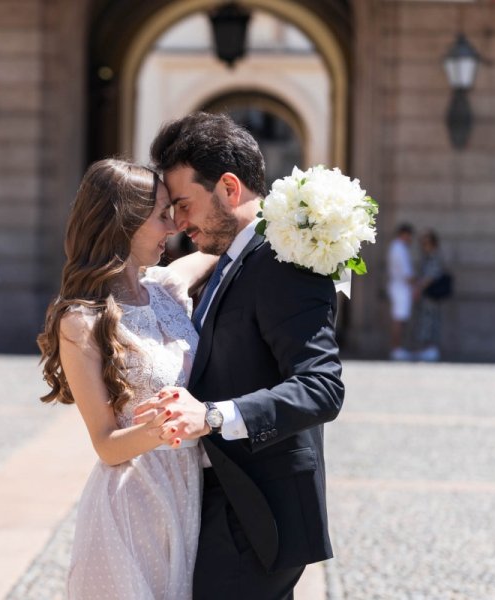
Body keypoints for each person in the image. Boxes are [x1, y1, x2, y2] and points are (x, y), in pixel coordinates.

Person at [133, 112, 345, 599]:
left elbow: (322, 387)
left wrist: (210, 416)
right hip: (225, 503)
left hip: (257, 512)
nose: (180, 224)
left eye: (184, 204)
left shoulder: (284, 260)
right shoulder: (232, 259)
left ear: (229, 188)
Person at [38, 159, 216, 598]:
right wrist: (158, 429)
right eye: (160, 215)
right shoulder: (80, 321)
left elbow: (225, 249)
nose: (173, 226)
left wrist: (294, 222)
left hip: (191, 490)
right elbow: (104, 443)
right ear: (122, 224)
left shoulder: (166, 288)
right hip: (133, 501)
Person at [412, 230, 446, 361]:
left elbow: (431, 276)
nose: (424, 246)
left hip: (431, 295)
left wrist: (419, 288)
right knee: (426, 321)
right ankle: (426, 349)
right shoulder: (427, 256)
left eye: (426, 243)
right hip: (427, 295)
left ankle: (430, 349)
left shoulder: (434, 256)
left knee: (430, 322)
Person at [387, 223, 415, 360]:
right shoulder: (399, 248)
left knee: (400, 319)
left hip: (399, 287)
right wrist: (417, 286)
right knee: (399, 320)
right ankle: (396, 349)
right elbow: (406, 274)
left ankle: (397, 348)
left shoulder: (396, 247)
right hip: (400, 288)